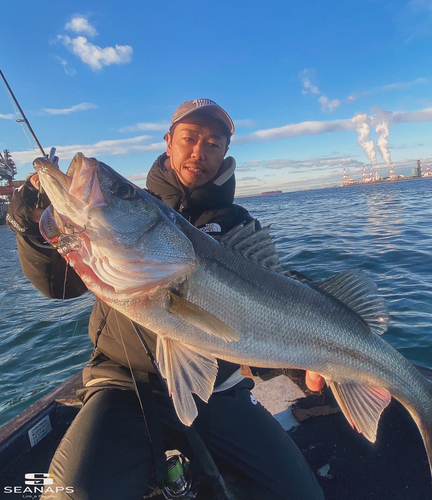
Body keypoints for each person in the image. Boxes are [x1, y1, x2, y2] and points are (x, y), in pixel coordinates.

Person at [7, 98, 325, 500]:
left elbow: (273, 307)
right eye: (189, 138)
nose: (199, 151)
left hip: (219, 390)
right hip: (124, 382)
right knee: (73, 494)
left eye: (213, 143)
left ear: (225, 152)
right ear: (168, 142)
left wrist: (303, 367)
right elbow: (57, 285)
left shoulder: (240, 225)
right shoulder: (126, 210)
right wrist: (31, 231)